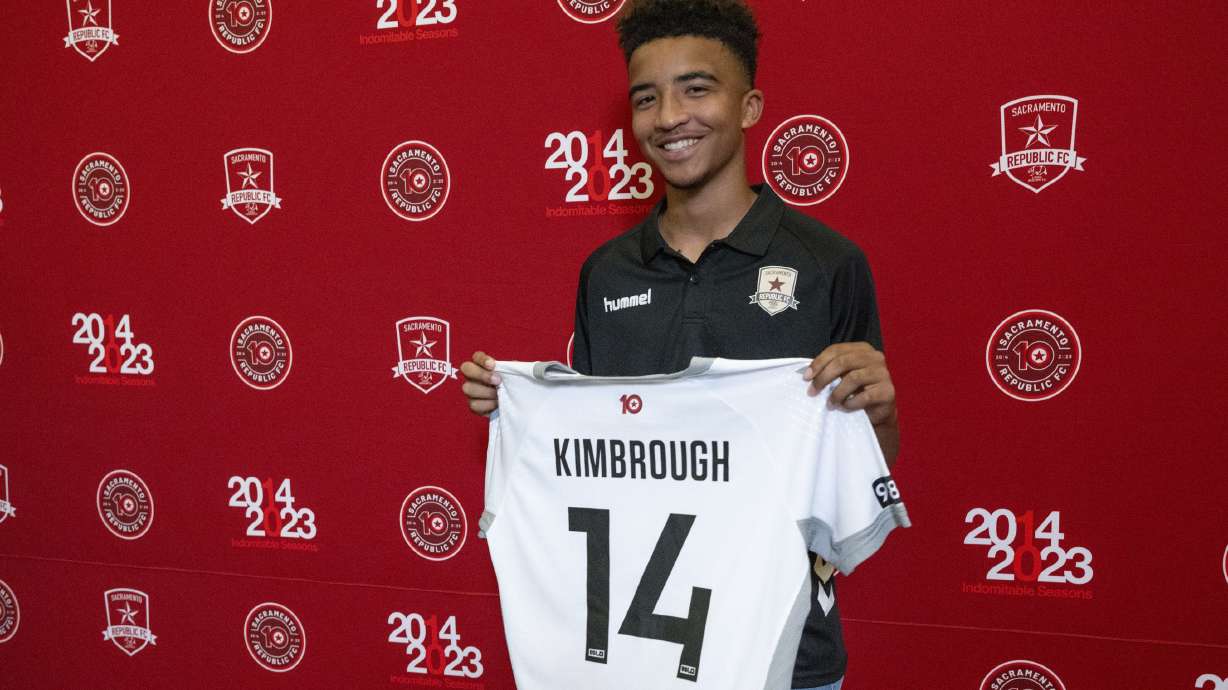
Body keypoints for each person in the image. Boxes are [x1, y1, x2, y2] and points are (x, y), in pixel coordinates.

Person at [462, 1, 899, 688]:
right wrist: (521, 411)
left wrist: (878, 413)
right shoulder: (607, 272)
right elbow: (598, 457)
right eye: (647, 97)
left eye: (697, 88)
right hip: (631, 655)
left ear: (750, 106)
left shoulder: (826, 264)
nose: (668, 116)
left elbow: (861, 476)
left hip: (785, 658)